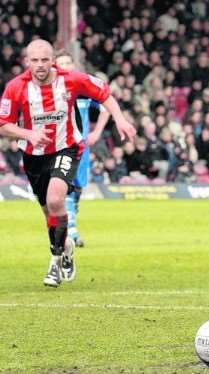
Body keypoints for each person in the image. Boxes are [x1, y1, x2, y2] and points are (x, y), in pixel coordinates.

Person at [0, 39, 136, 288]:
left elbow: (104, 93)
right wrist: (28, 134)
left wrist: (121, 120)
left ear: (52, 60)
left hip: (67, 148)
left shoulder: (72, 79)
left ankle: (55, 259)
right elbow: (3, 123)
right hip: (34, 155)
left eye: (44, 60)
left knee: (55, 200)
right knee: (48, 212)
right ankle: (66, 247)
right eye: (34, 60)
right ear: (26, 62)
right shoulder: (15, 88)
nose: (40, 65)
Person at [55, 50, 111, 247]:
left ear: (73, 66)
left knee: (78, 188)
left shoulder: (84, 89)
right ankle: (71, 231)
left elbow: (106, 106)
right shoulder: (51, 90)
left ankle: (72, 222)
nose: (64, 66)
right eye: (60, 63)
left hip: (82, 148)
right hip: (60, 146)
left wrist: (97, 132)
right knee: (66, 188)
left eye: (68, 62)